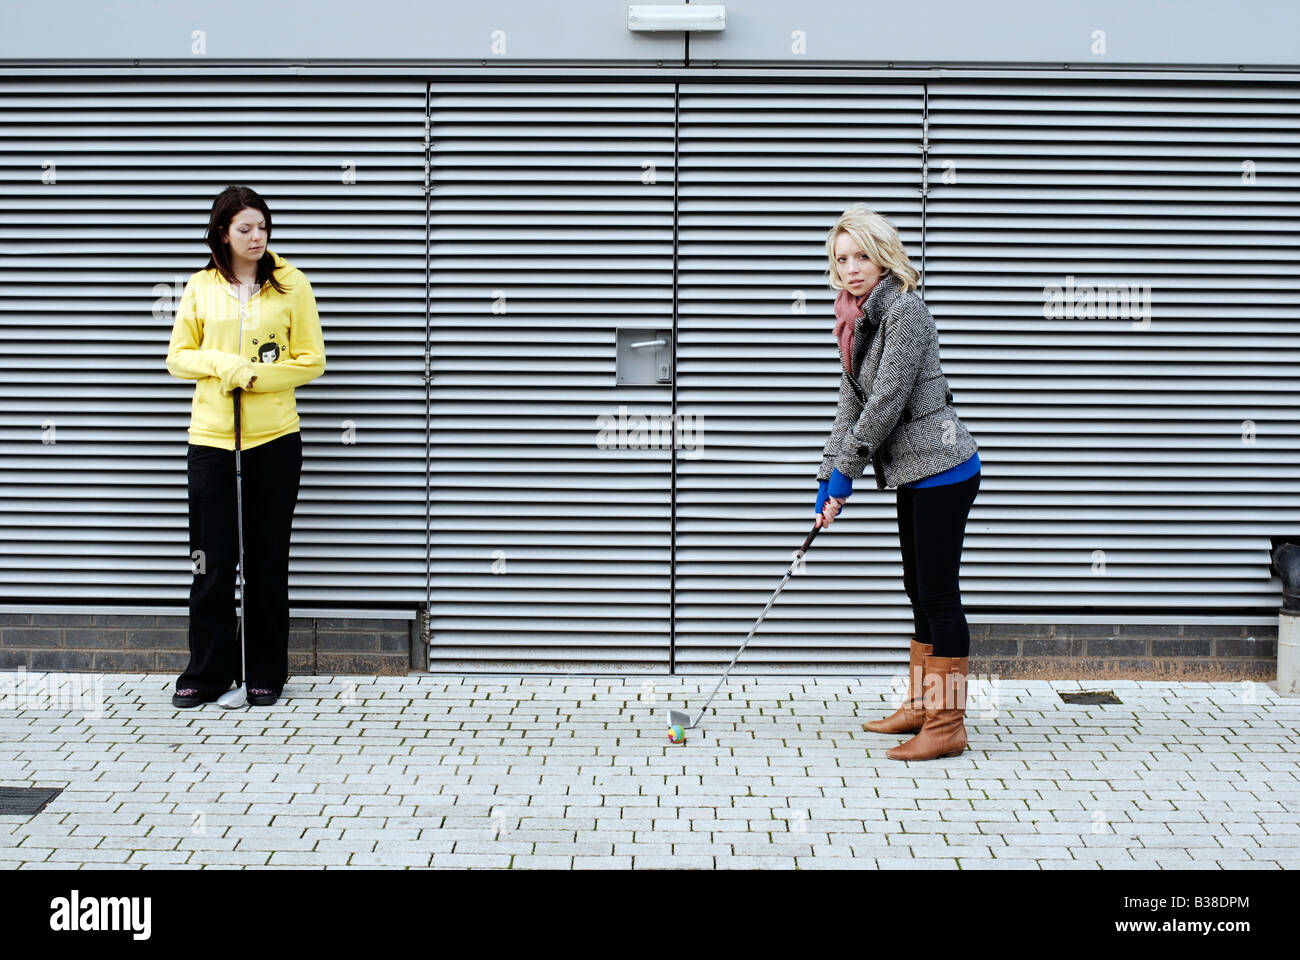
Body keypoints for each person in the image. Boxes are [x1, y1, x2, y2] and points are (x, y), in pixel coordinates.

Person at [814, 206, 980, 760]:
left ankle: (948, 724)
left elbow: (886, 403)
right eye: (842, 259)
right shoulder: (855, 317)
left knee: (939, 594)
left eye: (862, 255)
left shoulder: (905, 312)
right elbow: (851, 403)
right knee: (918, 591)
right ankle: (921, 705)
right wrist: (828, 476)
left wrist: (848, 471)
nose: (852, 268)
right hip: (913, 472)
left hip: (943, 469)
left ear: (883, 255)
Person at [165, 185, 325, 707]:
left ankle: (264, 674)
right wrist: (223, 365)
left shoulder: (292, 284)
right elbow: (179, 357)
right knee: (210, 562)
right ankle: (206, 673)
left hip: (274, 439)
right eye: (245, 229)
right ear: (223, 234)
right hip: (211, 439)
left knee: (265, 561)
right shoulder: (200, 286)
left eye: (263, 227)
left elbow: (311, 361)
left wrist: (255, 376)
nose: (257, 238)